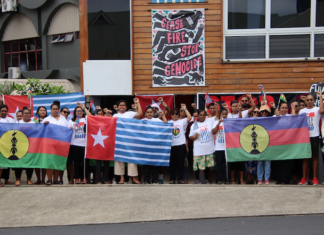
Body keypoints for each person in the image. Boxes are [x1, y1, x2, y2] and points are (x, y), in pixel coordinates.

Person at [113, 99, 143, 184]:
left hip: (130, 140)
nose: (122, 106)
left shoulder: (130, 114)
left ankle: (134, 178)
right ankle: (121, 178)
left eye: (123, 105)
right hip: (119, 140)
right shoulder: (115, 115)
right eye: (120, 105)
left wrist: (138, 103)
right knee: (119, 159)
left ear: (126, 107)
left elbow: (140, 114)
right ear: (117, 107)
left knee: (132, 158)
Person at [299, 92, 324, 185]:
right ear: (305, 101)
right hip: (305, 137)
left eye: (311, 100)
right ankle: (304, 178)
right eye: (308, 100)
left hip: (315, 135)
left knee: (314, 157)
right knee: (305, 157)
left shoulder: (317, 109)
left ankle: (314, 178)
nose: (309, 101)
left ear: (314, 101)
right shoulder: (302, 111)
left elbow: (322, 110)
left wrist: (320, 97)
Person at [43, 101, 69, 185]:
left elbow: (67, 129)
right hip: (49, 144)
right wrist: (44, 124)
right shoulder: (46, 119)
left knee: (58, 160)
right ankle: (49, 179)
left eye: (56, 109)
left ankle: (56, 179)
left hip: (61, 143)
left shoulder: (63, 118)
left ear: (58, 110)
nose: (55, 110)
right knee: (50, 161)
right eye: (53, 109)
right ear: (50, 110)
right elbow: (40, 130)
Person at [142, 106, 167, 184]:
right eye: (148, 112)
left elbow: (166, 125)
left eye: (151, 112)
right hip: (145, 145)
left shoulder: (157, 120)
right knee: (146, 164)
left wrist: (163, 115)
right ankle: (146, 180)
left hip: (155, 145)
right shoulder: (142, 120)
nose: (149, 113)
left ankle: (155, 180)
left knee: (155, 163)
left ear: (153, 113)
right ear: (145, 113)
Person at [189, 110, 216, 184]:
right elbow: (190, 136)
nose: (202, 116)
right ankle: (197, 180)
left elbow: (218, 116)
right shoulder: (194, 124)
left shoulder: (209, 121)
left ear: (205, 116)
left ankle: (207, 179)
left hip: (208, 148)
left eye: (203, 115)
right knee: (197, 165)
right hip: (199, 149)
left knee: (207, 165)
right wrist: (194, 137)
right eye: (200, 115)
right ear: (197, 116)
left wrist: (216, 109)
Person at [271, 102, 294, 185]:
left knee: (286, 162)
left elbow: (294, 121)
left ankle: (285, 180)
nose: (284, 110)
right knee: (277, 162)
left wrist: (293, 109)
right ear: (279, 108)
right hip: (277, 143)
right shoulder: (274, 116)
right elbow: (275, 120)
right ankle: (278, 179)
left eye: (286, 108)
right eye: (282, 108)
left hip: (288, 143)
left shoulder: (290, 116)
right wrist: (274, 108)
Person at [169, 104, 192, 184]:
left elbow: (190, 117)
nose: (175, 115)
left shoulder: (182, 121)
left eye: (176, 113)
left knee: (180, 163)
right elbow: (163, 122)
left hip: (181, 145)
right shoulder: (169, 122)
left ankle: (180, 179)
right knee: (172, 163)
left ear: (179, 114)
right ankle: (172, 179)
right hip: (171, 145)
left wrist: (185, 109)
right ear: (171, 115)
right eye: (173, 114)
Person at [223, 101, 245, 184]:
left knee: (241, 161)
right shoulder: (228, 115)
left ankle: (241, 180)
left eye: (236, 106)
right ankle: (232, 180)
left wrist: (240, 110)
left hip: (240, 141)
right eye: (233, 106)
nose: (235, 107)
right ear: (231, 107)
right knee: (232, 161)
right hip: (231, 141)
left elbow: (240, 120)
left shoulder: (241, 114)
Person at [68, 104, 89, 184]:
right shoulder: (71, 121)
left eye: (80, 111)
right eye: (77, 111)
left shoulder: (86, 119)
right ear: (74, 112)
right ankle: (77, 178)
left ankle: (84, 178)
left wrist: (84, 107)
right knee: (76, 162)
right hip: (74, 143)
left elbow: (90, 116)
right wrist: (69, 128)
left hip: (84, 144)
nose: (79, 112)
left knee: (84, 162)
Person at [14, 108, 34, 186]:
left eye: (28, 113)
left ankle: (29, 179)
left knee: (29, 162)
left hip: (31, 146)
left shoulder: (34, 123)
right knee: (18, 162)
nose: (27, 115)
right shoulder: (17, 123)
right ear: (22, 115)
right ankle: (18, 179)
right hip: (19, 146)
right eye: (25, 113)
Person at [213, 109, 229, 184]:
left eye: (226, 114)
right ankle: (219, 179)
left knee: (226, 165)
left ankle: (226, 179)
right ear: (220, 115)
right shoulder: (216, 122)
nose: (224, 115)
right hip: (218, 147)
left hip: (227, 148)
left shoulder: (230, 122)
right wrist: (219, 123)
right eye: (223, 114)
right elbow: (213, 132)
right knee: (219, 164)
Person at [256, 105, 272, 185]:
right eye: (262, 111)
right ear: (260, 113)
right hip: (259, 143)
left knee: (268, 162)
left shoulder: (271, 120)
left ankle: (267, 179)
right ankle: (260, 179)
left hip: (269, 143)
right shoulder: (257, 120)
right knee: (259, 162)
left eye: (266, 111)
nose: (264, 113)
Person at [0, 105, 14, 185]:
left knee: (6, 162)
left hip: (8, 144)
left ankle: (6, 179)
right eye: (2, 111)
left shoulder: (11, 120)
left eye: (5, 111)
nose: (4, 112)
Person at [184, 110, 199, 184]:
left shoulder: (203, 123)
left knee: (198, 163)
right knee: (191, 163)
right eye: (194, 116)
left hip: (200, 146)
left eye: (197, 116)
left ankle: (199, 179)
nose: (196, 117)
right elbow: (187, 136)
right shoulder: (190, 124)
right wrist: (186, 147)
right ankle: (191, 179)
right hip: (190, 145)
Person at [245, 107, 259, 184]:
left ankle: (257, 179)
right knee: (248, 162)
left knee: (257, 162)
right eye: (254, 112)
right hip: (248, 144)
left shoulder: (261, 121)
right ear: (251, 113)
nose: (256, 114)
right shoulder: (247, 121)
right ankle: (249, 179)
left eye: (257, 112)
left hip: (259, 144)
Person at [34, 106, 48, 185]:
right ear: (38, 112)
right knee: (37, 162)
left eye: (44, 110)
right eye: (41, 110)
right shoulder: (34, 119)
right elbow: (34, 129)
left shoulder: (49, 119)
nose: (43, 111)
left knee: (43, 162)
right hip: (36, 143)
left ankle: (43, 180)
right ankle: (38, 179)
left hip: (45, 143)